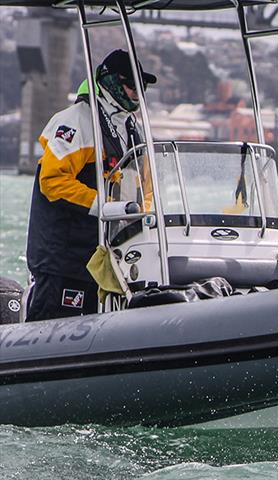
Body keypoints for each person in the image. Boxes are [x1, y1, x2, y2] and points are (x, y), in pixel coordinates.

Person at [25, 49, 156, 322]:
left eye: (141, 86)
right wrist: (103, 205)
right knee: (49, 325)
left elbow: (145, 188)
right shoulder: (75, 121)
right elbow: (53, 181)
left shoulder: (132, 129)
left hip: (108, 258)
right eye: (130, 84)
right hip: (64, 259)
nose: (136, 92)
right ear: (108, 81)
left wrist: (143, 220)